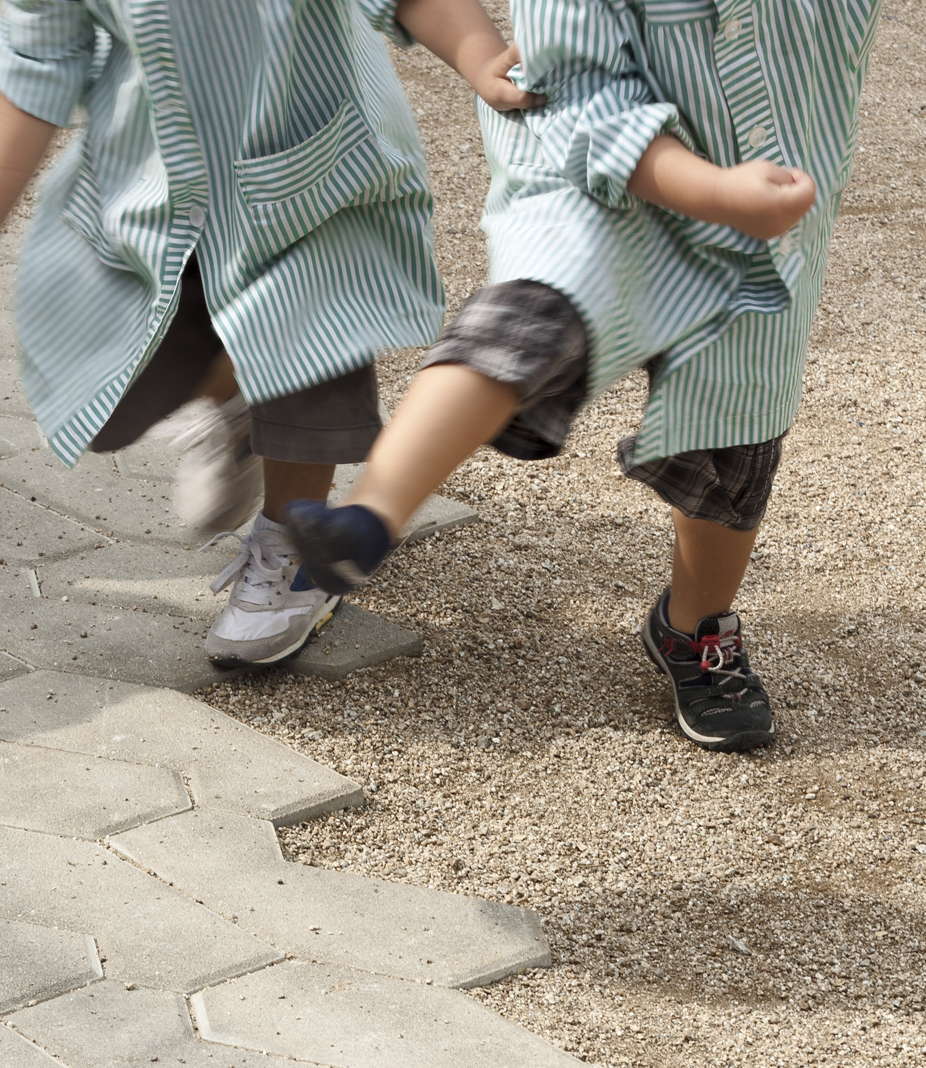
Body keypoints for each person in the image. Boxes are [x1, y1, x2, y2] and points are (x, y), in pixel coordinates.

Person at [285, 0, 881, 750]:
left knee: (735, 419)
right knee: (524, 324)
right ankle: (370, 513)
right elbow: (580, 93)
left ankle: (693, 626)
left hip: (763, 205)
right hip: (589, 179)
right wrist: (716, 194)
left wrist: (739, 200)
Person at [0, 0, 538, 668]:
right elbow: (36, 63)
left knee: (307, 352)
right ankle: (237, 391)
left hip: (310, 178)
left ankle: (293, 545)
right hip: (152, 184)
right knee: (110, 405)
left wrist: (479, 57)